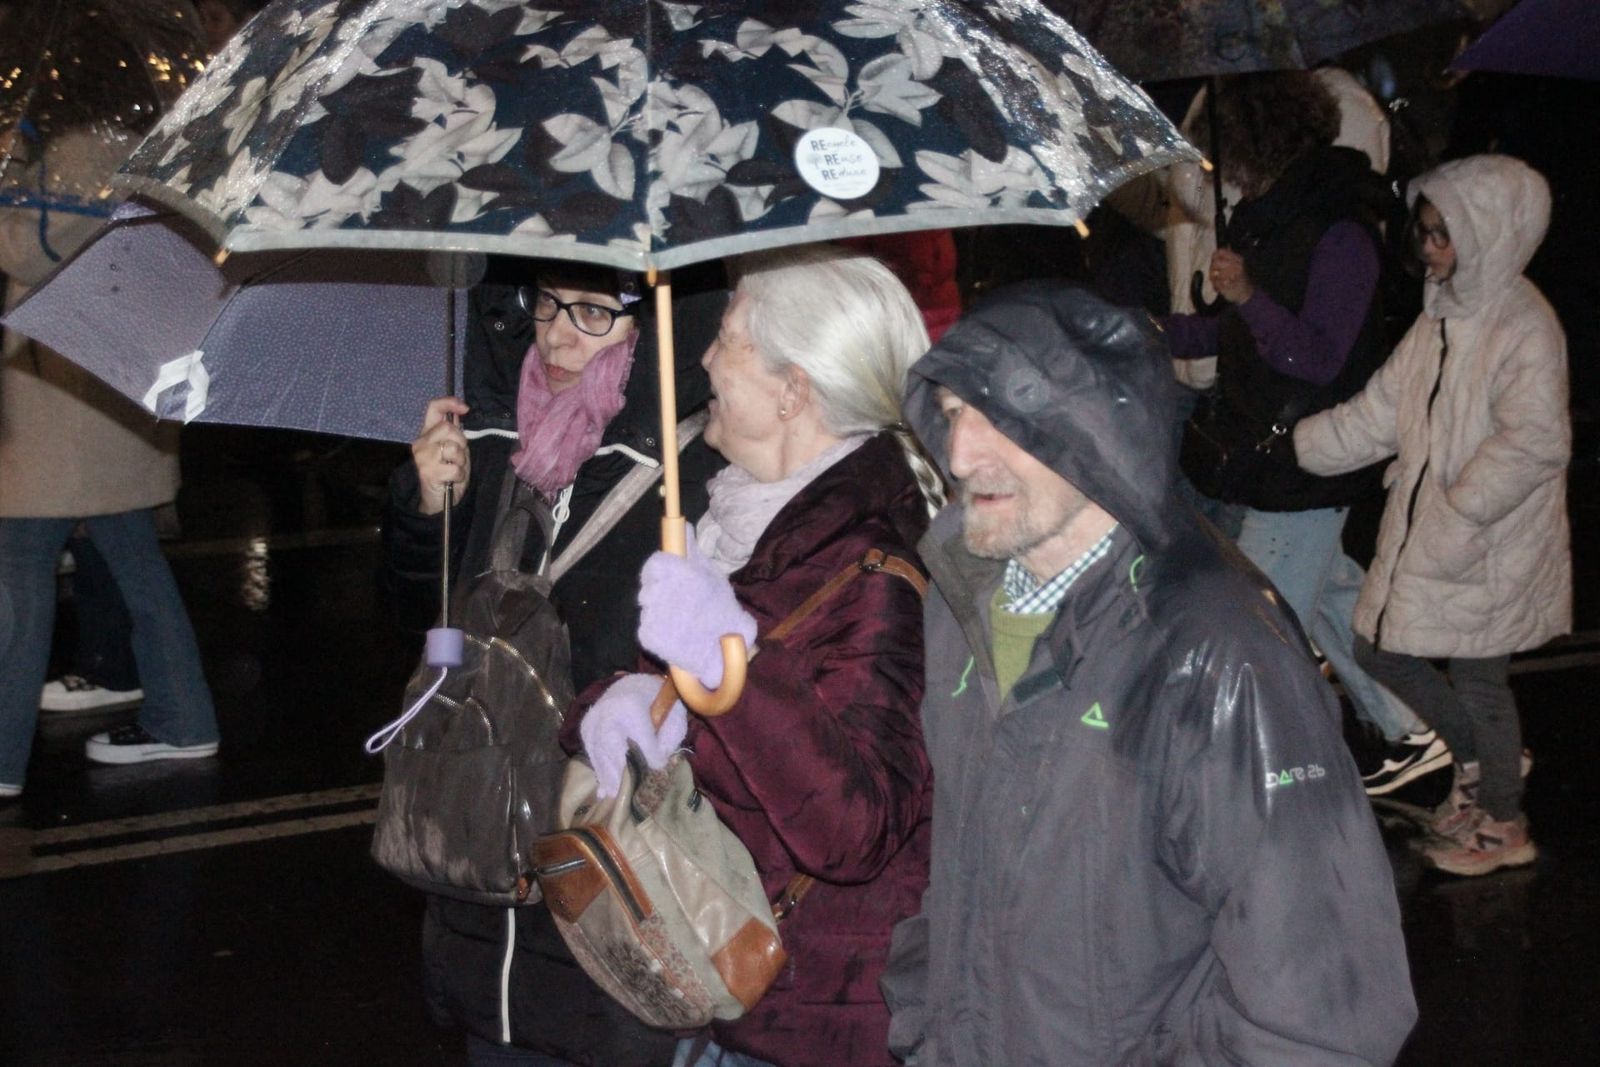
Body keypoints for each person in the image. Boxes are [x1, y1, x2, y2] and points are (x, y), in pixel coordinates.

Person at [880, 281, 1417, 1065]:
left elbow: (1323, 1015)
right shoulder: (961, 604)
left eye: (1002, 417)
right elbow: (961, 873)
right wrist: (929, 1028)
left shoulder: (1215, 654)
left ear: (1095, 431)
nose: (961, 453)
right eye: (955, 412)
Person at [572, 245, 939, 1067]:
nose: (703, 354)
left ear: (792, 389)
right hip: (718, 981)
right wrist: (620, 700)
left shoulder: (875, 569)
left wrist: (729, 663)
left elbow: (857, 827)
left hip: (810, 1017)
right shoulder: (736, 524)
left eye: (729, 336)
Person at [380, 259, 725, 1067]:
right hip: (477, 865)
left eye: (596, 312)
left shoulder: (689, 466)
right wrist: (423, 508)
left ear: (651, 327)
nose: (559, 332)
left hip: (600, 880)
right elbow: (417, 627)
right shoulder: (490, 440)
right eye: (546, 305)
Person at [1162, 70, 1445, 795]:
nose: (1218, 177)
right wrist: (1156, 331)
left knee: (1256, 627)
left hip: (1312, 461)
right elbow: (1237, 336)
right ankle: (1418, 731)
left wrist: (1248, 296)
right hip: (1273, 456)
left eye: (1224, 160)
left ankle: (1260, 782)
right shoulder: (1274, 218)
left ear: (1258, 147)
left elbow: (1317, 357)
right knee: (1328, 603)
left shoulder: (1342, 228)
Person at [1293, 155, 1569, 877]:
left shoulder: (1524, 325)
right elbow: (1388, 407)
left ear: (1492, 236)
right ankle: (1481, 766)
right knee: (1379, 648)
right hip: (1432, 529)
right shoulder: (1440, 319)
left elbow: (1536, 441)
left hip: (1491, 542)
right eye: (1426, 231)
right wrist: (1305, 443)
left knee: (1481, 680)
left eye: (1446, 235)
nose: (1430, 248)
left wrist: (1459, 507)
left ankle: (1505, 821)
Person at [1, 126, 219, 800]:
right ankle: (184, 718)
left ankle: (3, 758)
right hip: (117, 383)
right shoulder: (147, 134)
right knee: (135, 557)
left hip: (70, 393)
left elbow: (28, 249)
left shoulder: (76, 152)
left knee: (18, 566)